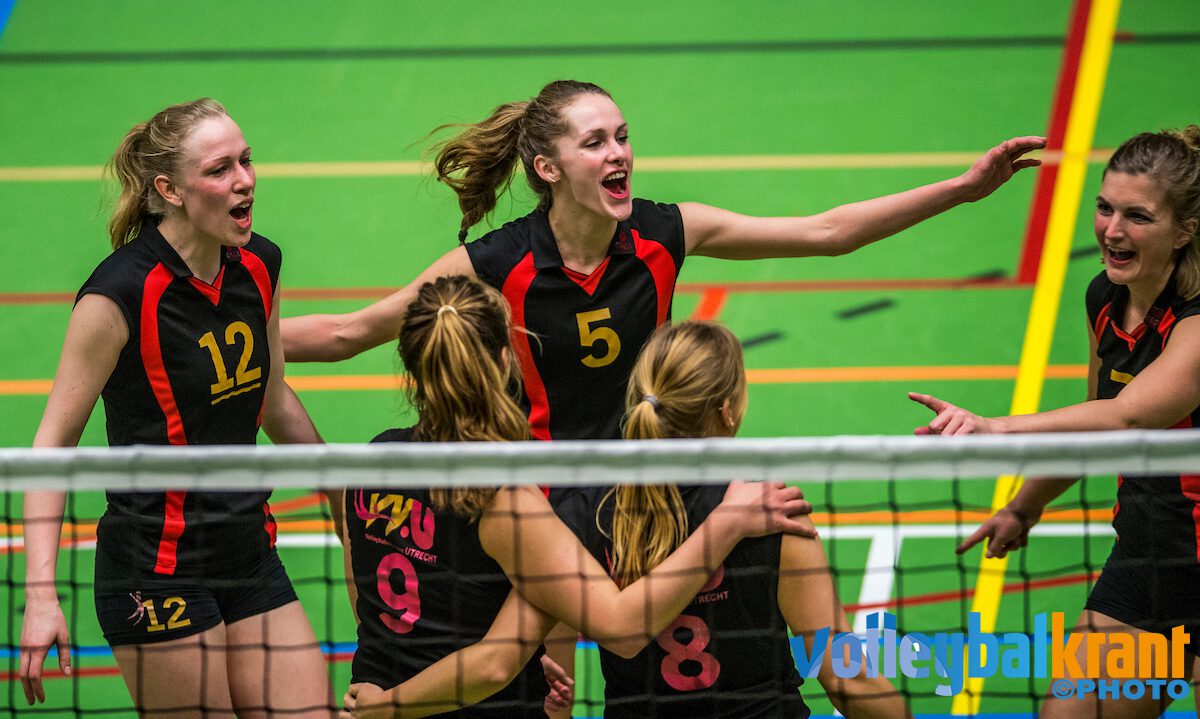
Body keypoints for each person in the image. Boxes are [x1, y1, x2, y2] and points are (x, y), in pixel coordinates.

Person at [282, 79, 1045, 443]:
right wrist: (239, 339)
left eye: (622, 136)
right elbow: (350, 333)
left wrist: (963, 189)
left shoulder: (664, 233)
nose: (619, 153)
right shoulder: (497, 261)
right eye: (595, 143)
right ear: (548, 168)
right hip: (542, 496)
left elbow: (826, 233)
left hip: (648, 485)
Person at [340, 276, 816, 718]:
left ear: (411, 365)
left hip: (374, 688)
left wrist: (391, 696)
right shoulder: (504, 499)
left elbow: (368, 602)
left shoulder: (369, 464)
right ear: (504, 360)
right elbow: (610, 630)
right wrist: (725, 525)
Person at [19, 99, 331, 718]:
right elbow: (51, 447)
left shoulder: (260, 265)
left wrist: (342, 485)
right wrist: (41, 596)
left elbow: (272, 397)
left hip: (248, 549)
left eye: (245, 161)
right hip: (156, 570)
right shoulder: (117, 296)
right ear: (169, 190)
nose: (244, 180)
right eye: (220, 169)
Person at [910, 126, 1200, 718]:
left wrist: (993, 428)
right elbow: (1093, 428)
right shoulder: (1107, 300)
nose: (1112, 230)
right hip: (1148, 561)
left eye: (1138, 217)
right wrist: (1025, 505)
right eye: (1105, 208)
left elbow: (1128, 417)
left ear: (1184, 230)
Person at [547, 320, 910, 718]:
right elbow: (846, 678)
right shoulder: (775, 512)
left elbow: (556, 691)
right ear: (727, 412)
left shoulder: (583, 514)